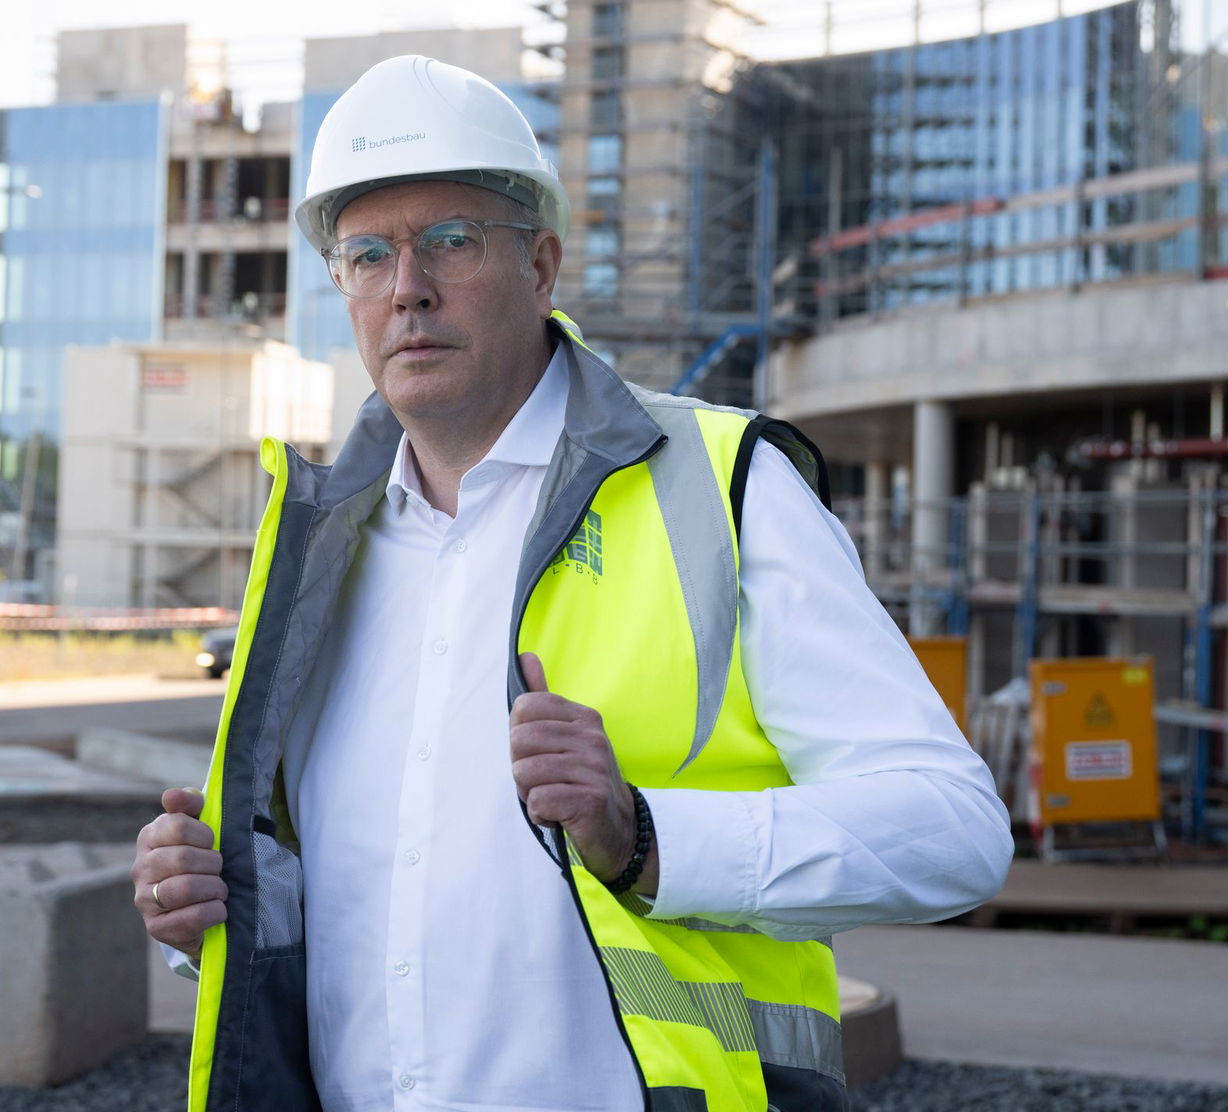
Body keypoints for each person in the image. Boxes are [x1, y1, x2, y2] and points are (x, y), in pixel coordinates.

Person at [130, 55, 1011, 1112]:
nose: (406, 286)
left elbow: (953, 829)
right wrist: (212, 913)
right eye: (367, 254)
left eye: (449, 240)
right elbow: (372, 900)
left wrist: (646, 838)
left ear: (541, 265)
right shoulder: (315, 546)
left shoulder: (722, 486)